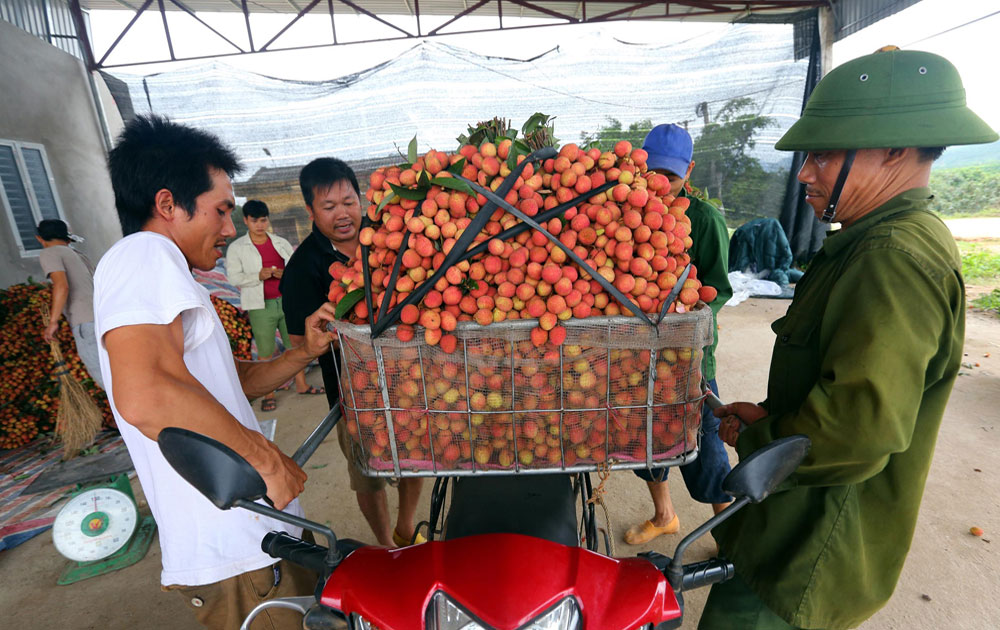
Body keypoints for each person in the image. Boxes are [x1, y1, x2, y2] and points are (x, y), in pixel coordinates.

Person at [703, 49, 998, 630]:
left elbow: (857, 432)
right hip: (790, 524)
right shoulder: (870, 239)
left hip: (807, 549)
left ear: (895, 149)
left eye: (823, 155)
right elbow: (843, 386)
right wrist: (772, 416)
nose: (805, 173)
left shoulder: (892, 258)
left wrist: (764, 438)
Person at [95, 115, 340, 630]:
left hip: (256, 534)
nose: (230, 229)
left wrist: (301, 354)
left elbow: (230, 383)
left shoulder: (164, 268)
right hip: (235, 546)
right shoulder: (144, 254)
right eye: (221, 210)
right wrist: (265, 461)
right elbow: (144, 395)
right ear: (167, 205)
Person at [280, 157, 425, 548]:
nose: (343, 214)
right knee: (367, 474)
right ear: (310, 211)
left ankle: (406, 526)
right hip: (353, 395)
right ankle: (386, 544)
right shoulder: (301, 270)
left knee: (414, 458)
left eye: (349, 202)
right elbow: (299, 346)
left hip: (410, 378)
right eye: (329, 207)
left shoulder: (391, 237)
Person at [623, 123, 734, 545]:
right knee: (646, 437)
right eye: (653, 172)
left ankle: (727, 532)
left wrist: (686, 318)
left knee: (703, 441)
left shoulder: (704, 220)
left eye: (670, 176)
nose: (661, 184)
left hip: (689, 355)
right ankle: (664, 514)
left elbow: (719, 289)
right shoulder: (628, 215)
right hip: (638, 352)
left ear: (688, 171)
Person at [225, 199, 323, 411]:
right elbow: (234, 277)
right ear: (246, 221)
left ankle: (302, 385)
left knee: (295, 345)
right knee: (265, 351)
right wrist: (257, 275)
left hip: (287, 302)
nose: (260, 225)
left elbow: (295, 268)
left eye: (263, 220)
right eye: (255, 221)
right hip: (261, 306)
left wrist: (285, 274)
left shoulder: (280, 242)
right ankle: (268, 393)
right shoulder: (237, 249)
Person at [35, 219, 104, 389]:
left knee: (105, 378)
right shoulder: (78, 255)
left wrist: (52, 323)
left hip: (86, 323)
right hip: (104, 318)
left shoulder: (49, 253)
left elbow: (62, 286)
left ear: (39, 239)